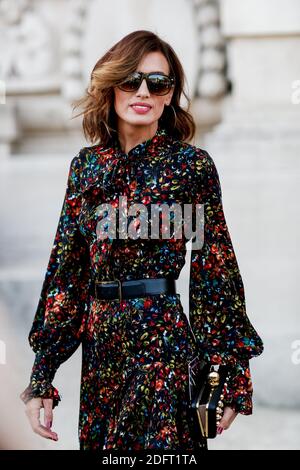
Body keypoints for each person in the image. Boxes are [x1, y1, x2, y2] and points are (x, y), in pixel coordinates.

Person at [20, 30, 264, 451]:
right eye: (131, 80)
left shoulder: (192, 167)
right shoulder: (87, 169)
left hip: (164, 342)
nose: (144, 91)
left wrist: (230, 370)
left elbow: (216, 268)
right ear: (112, 86)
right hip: (102, 352)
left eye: (159, 82)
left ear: (170, 96)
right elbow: (67, 273)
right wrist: (42, 374)